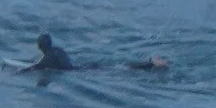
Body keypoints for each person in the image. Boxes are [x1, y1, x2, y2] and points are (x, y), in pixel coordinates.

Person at [20, 33, 168, 74]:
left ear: (40, 46)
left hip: (82, 71)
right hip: (83, 66)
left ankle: (150, 64)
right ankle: (149, 63)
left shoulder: (47, 58)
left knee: (120, 69)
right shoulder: (57, 50)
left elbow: (34, 68)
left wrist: (18, 71)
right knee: (119, 66)